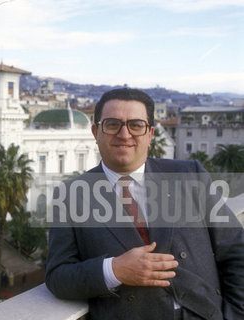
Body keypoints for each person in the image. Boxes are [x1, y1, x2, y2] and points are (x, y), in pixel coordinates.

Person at [45, 88, 244, 320]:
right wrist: (114, 270)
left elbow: (235, 249)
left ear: (150, 134)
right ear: (95, 132)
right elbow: (58, 275)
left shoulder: (189, 175)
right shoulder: (70, 195)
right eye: (112, 124)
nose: (124, 134)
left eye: (136, 125)